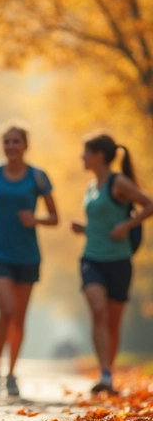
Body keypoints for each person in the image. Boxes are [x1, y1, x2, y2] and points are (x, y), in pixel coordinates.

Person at [0, 122, 58, 397]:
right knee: (7, 309)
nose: (11, 146)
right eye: (7, 142)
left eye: (16, 142)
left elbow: (54, 217)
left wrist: (35, 219)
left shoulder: (38, 177)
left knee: (19, 318)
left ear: (25, 145)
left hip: (27, 255)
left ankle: (11, 373)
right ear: (3, 146)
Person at [71, 133, 153, 394]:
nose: (82, 157)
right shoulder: (91, 186)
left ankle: (109, 373)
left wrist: (127, 225)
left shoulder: (118, 183)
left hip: (119, 260)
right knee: (98, 312)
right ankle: (105, 374)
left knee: (113, 323)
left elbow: (148, 205)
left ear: (99, 155)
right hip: (91, 258)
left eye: (86, 152)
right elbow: (100, 223)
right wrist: (85, 228)